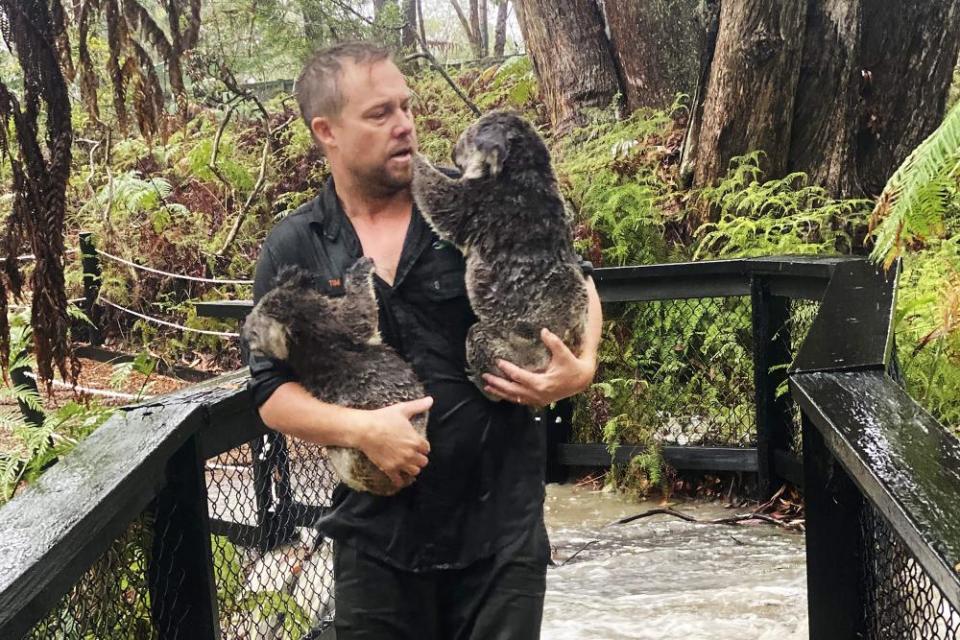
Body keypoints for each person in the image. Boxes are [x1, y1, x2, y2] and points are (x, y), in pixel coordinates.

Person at [246, 41, 603, 639]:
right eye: (380, 113)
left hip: (500, 533)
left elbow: (575, 277)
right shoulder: (297, 245)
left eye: (406, 107)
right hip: (376, 540)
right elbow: (269, 392)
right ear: (326, 131)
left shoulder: (470, 192)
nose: (405, 125)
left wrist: (582, 365)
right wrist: (361, 431)